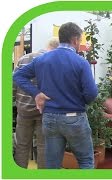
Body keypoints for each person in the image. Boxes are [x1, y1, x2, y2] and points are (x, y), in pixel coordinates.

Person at [13, 22, 98, 169]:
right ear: (75, 40)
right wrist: (80, 101)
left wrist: (36, 94)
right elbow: (91, 93)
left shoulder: (42, 60)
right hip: (74, 117)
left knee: (52, 165)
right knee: (85, 161)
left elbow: (18, 76)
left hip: (49, 118)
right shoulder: (81, 62)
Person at [13, 37, 59, 169]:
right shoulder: (54, 63)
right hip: (44, 111)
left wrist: (15, 100)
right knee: (43, 146)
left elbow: (14, 83)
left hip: (23, 110)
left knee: (22, 145)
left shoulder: (23, 59)